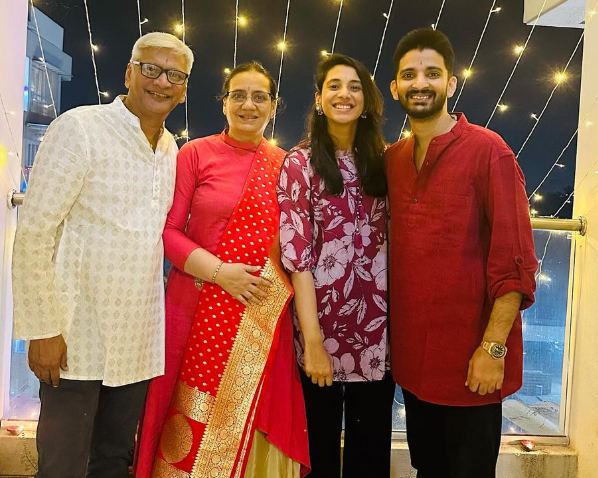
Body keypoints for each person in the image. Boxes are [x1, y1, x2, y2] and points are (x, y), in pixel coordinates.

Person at [11, 32, 193, 477]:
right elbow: (35, 231)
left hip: (136, 340)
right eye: (150, 69)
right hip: (75, 335)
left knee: (114, 462)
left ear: (184, 87)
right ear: (130, 72)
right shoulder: (81, 127)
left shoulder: (171, 149)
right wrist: (42, 328)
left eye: (174, 75)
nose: (161, 82)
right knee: (62, 466)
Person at [136, 61, 310, 478]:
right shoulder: (196, 153)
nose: (248, 105)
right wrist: (219, 273)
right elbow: (170, 232)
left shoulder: (287, 165)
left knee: (255, 422)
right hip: (194, 305)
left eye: (259, 97)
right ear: (225, 103)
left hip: (258, 319)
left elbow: (297, 247)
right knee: (184, 425)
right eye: (238, 95)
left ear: (273, 106)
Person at [385, 28, 538, 478]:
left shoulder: (489, 152)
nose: (420, 83)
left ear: (451, 84)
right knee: (427, 470)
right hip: (414, 366)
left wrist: (493, 349)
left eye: (432, 73)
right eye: (409, 75)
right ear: (395, 88)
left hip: (473, 365)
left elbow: (515, 262)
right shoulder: (393, 159)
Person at [277, 54, 395, 478]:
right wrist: (312, 342)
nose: (344, 94)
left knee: (370, 452)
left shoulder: (386, 160)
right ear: (319, 99)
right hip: (320, 330)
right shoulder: (299, 163)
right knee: (319, 453)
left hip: (377, 335)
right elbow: (298, 259)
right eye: (334, 86)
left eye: (355, 86)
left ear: (367, 100)